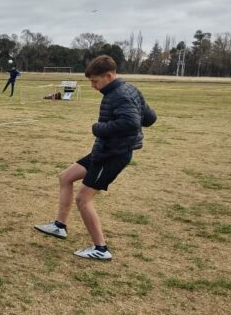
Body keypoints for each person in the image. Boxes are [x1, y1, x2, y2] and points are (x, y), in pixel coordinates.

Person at [34, 55, 157, 260]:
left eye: (95, 81)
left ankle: (101, 249)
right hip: (103, 150)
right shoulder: (130, 90)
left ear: (109, 76)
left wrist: (99, 128)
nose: (92, 86)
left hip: (112, 155)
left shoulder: (120, 95)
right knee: (66, 177)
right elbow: (150, 118)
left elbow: (131, 123)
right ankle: (59, 226)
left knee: (84, 199)